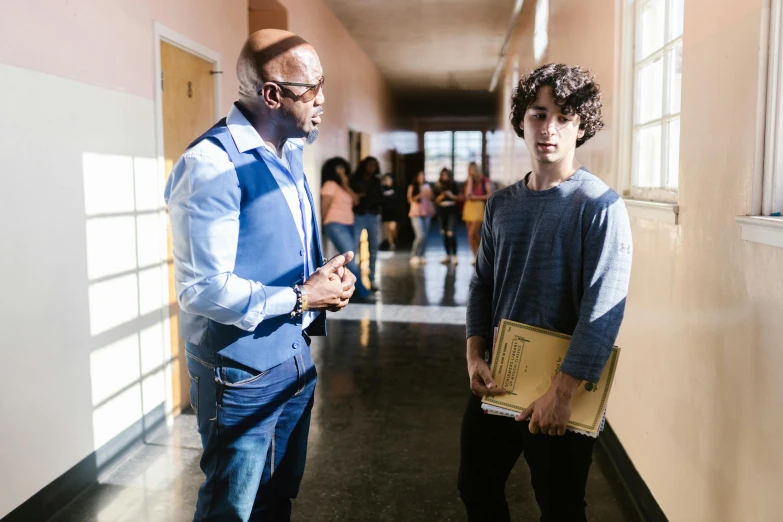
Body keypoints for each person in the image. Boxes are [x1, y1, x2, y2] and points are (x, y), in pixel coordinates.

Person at [164, 29, 357, 522]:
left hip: (293, 361)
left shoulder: (289, 154)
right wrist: (300, 296)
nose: (322, 101)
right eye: (311, 89)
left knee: (277, 498)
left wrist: (323, 286)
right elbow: (201, 288)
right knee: (231, 508)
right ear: (272, 95)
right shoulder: (210, 164)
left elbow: (278, 250)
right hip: (240, 376)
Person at [458, 64, 633, 522]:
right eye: (538, 114)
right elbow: (483, 286)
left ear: (582, 126)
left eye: (564, 117)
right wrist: (475, 353)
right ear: (522, 121)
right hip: (501, 375)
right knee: (475, 486)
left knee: (559, 507)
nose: (548, 128)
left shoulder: (599, 206)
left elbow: (603, 310)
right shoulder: (500, 205)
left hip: (560, 389)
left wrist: (563, 390)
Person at [320, 157, 373, 300]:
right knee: (349, 259)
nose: (342, 171)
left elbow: (356, 201)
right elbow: (324, 206)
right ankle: (363, 293)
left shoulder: (343, 187)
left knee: (349, 259)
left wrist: (344, 182)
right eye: (338, 168)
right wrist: (323, 224)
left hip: (349, 224)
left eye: (343, 168)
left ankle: (349, 289)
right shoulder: (330, 184)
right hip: (335, 224)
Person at [350, 156, 383, 292]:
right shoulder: (355, 179)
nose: (372, 168)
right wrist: (362, 197)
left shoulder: (376, 181)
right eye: (369, 165)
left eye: (374, 165)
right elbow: (354, 197)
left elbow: (379, 198)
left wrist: (363, 197)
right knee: (354, 247)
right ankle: (354, 280)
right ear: (364, 165)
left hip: (373, 216)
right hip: (358, 215)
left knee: (373, 247)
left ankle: (373, 279)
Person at [462, 162, 492, 264]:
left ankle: (484, 253)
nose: (469, 171)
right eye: (468, 169)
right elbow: (468, 195)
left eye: (470, 169)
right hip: (469, 207)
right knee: (470, 235)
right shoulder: (468, 181)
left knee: (473, 233)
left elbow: (490, 195)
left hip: (479, 207)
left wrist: (476, 198)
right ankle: (475, 256)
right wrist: (470, 181)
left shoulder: (484, 180)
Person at [434, 167, 461, 265]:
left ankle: (454, 255)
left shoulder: (454, 185)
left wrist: (450, 195)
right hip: (441, 212)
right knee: (444, 233)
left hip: (452, 211)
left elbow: (459, 198)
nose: (444, 177)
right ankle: (447, 254)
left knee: (451, 233)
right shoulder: (437, 185)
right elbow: (435, 200)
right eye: (442, 175)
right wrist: (442, 195)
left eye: (446, 175)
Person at [407, 170, 435, 265]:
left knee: (425, 236)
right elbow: (410, 199)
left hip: (426, 212)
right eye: (419, 176)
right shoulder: (412, 187)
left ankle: (422, 255)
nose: (421, 177)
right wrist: (421, 193)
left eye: (422, 175)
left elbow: (431, 198)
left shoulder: (427, 186)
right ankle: (414, 254)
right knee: (420, 235)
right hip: (416, 213)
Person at [380, 173, 401, 250]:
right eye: (386, 180)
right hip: (385, 211)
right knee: (387, 229)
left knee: (393, 228)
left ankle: (395, 239)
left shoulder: (395, 188)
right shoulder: (382, 188)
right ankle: (391, 244)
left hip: (394, 211)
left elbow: (398, 199)